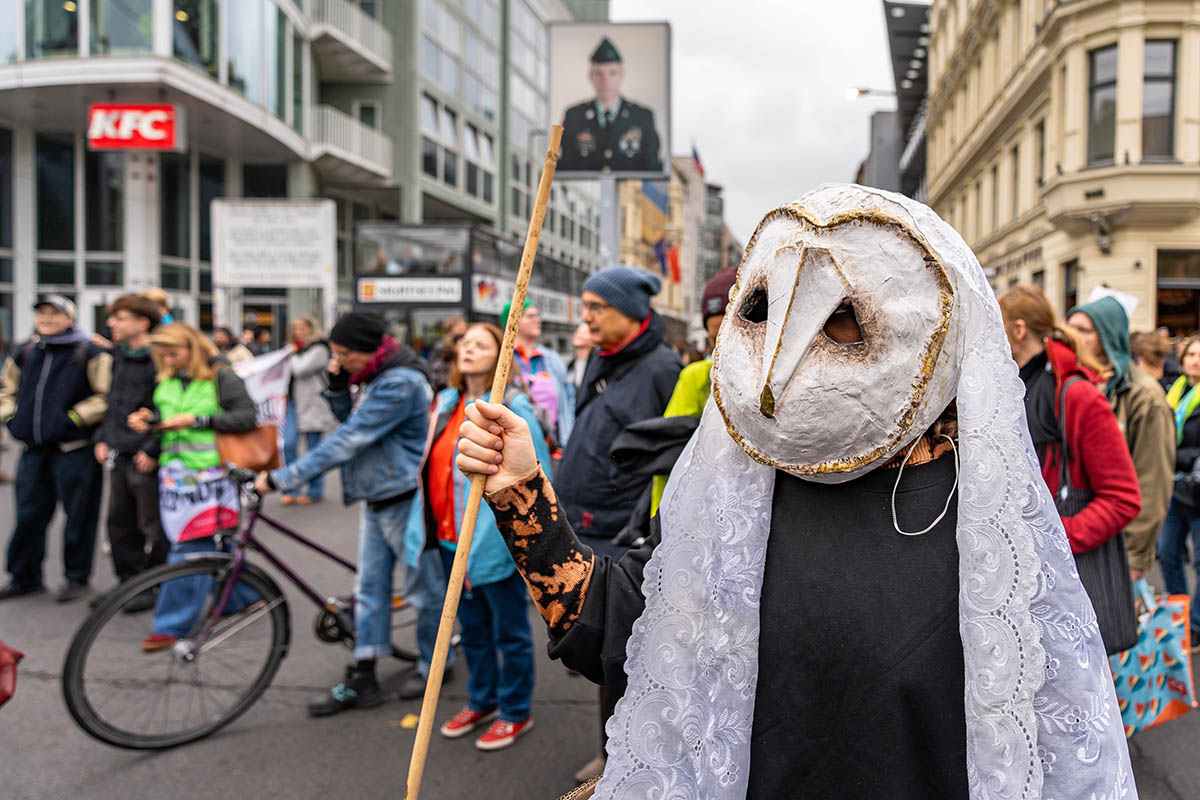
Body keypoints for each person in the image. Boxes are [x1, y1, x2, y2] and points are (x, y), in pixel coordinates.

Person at [456, 185, 1135, 799]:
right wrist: (523, 495)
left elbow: (1059, 754)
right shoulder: (737, 492)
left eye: (839, 316)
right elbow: (617, 633)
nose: (782, 360)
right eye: (764, 310)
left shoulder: (989, 532)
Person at [252, 312, 433, 716]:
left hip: (403, 498)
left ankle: (433, 665)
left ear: (368, 351)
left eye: (342, 355)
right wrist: (338, 387)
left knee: (424, 591)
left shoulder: (401, 381)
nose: (337, 362)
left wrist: (284, 478)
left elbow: (350, 438)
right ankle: (364, 673)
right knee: (369, 590)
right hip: (377, 495)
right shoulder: (375, 373)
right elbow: (351, 422)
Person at [555, 265, 681, 783]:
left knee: (622, 656)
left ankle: (622, 764)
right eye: (584, 306)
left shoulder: (661, 368)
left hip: (620, 537)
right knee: (598, 655)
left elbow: (670, 454)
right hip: (583, 523)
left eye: (596, 308)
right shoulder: (598, 360)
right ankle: (612, 754)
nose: (585, 317)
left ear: (630, 312)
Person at [405, 322, 548, 751]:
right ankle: (481, 700)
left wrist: (498, 542)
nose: (469, 349)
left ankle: (515, 710)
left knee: (510, 631)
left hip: (493, 545)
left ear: (501, 354)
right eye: (464, 343)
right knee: (471, 630)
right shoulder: (447, 404)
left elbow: (532, 481)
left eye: (481, 343)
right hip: (450, 541)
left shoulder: (510, 408)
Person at [999, 286, 1142, 653]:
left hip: (1070, 576)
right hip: (1033, 577)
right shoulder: (1014, 386)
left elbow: (1124, 499)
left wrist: (1055, 537)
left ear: (1017, 330)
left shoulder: (1077, 394)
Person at [128, 323, 257, 651]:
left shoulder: (221, 377)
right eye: (163, 355)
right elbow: (167, 416)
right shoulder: (168, 380)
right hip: (177, 477)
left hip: (214, 477)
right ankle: (242, 596)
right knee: (215, 542)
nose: (168, 360)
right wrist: (150, 420)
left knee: (190, 548)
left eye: (174, 353)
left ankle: (173, 624)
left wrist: (197, 421)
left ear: (193, 349)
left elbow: (246, 417)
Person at [0, 296, 111, 603]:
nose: (46, 318)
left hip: (75, 448)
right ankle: (24, 576)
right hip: (33, 449)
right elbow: (7, 390)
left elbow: (105, 396)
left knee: (79, 515)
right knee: (29, 513)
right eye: (41, 312)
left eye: (54, 313)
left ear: (70, 318)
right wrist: (11, 416)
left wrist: (73, 419)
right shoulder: (26, 351)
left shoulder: (90, 351)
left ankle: (76, 577)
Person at [1067, 297, 1174, 581]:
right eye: (1070, 327)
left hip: (1118, 541)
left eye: (1083, 330)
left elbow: (1153, 482)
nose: (1072, 335)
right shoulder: (1076, 382)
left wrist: (1135, 558)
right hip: (1084, 532)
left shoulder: (1143, 395)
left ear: (1107, 334)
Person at [90, 295, 168, 612]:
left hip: (145, 455)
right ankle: (128, 583)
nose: (112, 323)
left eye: (120, 317)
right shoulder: (119, 355)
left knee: (153, 524)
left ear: (142, 323)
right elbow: (114, 401)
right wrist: (103, 437)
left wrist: (152, 447)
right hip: (119, 450)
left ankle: (154, 584)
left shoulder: (160, 357)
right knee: (118, 522)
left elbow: (166, 406)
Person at [559, 37, 663, 173]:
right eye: (599, 74)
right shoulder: (574, 116)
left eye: (612, 73)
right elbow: (564, 169)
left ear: (621, 75)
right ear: (591, 76)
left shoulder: (643, 118)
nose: (605, 80)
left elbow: (653, 170)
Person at [1158, 334, 1200, 649]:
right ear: (1182, 359)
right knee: (1167, 553)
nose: (1196, 360)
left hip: (1196, 490)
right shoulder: (1172, 391)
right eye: (1191, 355)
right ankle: (1179, 614)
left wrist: (1176, 456)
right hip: (1172, 487)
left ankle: (1195, 623)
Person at [281, 317, 337, 506]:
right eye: (295, 328)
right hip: (292, 403)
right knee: (288, 444)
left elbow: (300, 369)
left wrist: (291, 355)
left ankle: (315, 490)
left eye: (302, 328)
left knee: (314, 450)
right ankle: (292, 487)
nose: (298, 332)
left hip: (313, 404)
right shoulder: (293, 350)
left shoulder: (319, 349)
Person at [505, 300, 575, 447]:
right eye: (530, 316)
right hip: (516, 444)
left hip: (554, 443)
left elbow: (569, 398)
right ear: (513, 320)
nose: (537, 320)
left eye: (537, 315)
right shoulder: (504, 361)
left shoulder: (551, 358)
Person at [429, 316, 467, 393]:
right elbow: (435, 374)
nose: (463, 331)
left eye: (464, 328)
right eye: (460, 328)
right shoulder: (441, 348)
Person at [567, 322, 593, 389]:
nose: (578, 334)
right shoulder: (570, 365)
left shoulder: (596, 364)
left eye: (584, 332)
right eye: (578, 331)